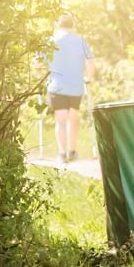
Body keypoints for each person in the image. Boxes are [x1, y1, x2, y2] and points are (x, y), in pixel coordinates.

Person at [44, 12, 95, 164]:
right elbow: (90, 62)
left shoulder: (51, 41)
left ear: (58, 26)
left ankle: (62, 154)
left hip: (57, 86)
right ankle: (72, 151)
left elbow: (37, 62)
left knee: (60, 120)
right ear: (72, 26)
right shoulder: (80, 41)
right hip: (75, 86)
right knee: (73, 118)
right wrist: (89, 78)